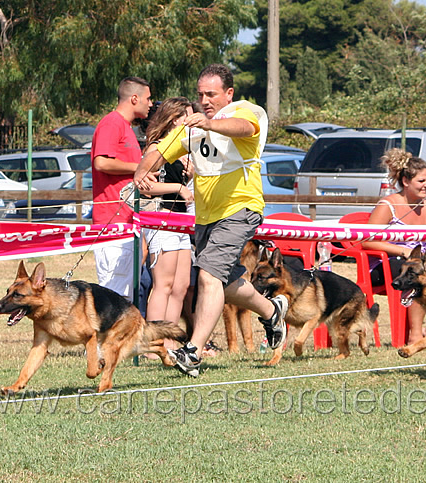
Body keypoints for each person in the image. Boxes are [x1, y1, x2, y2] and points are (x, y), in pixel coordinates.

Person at [133, 63, 288, 377]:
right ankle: (273, 311)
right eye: (200, 94)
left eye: (212, 94)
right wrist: (140, 175)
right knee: (223, 283)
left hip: (240, 207)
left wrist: (210, 123)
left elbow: (243, 129)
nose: (204, 100)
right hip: (205, 216)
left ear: (228, 94)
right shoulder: (191, 126)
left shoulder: (246, 111)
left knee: (207, 278)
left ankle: (193, 351)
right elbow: (159, 151)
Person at [362, 148, 426, 344]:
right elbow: (367, 241)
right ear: (406, 182)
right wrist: (404, 251)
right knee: (417, 275)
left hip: (418, 260)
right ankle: (414, 335)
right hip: (384, 264)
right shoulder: (388, 205)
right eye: (421, 181)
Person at [137, 97, 196, 354]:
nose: (193, 122)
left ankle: (169, 343)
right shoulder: (158, 148)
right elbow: (144, 186)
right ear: (175, 120)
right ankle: (150, 344)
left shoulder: (181, 149)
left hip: (181, 221)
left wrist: (190, 174)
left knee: (180, 285)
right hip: (161, 219)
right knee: (163, 285)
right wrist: (178, 187)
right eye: (188, 117)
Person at [91, 76, 154, 300]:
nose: (151, 103)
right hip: (113, 223)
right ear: (134, 98)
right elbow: (102, 162)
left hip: (129, 223)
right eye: (148, 98)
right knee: (114, 299)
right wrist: (140, 167)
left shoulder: (126, 127)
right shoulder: (112, 123)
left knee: (126, 299)